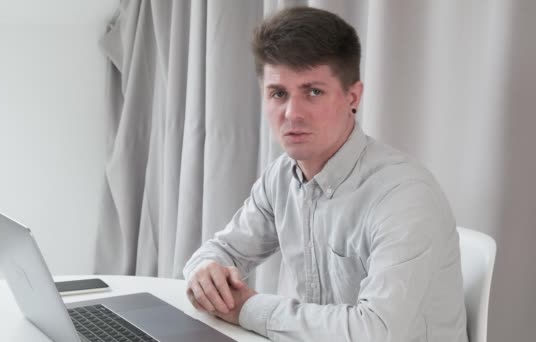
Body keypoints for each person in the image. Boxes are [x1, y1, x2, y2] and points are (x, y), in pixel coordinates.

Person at [183, 6, 468, 342]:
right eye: (278, 93)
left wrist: (248, 308)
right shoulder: (282, 178)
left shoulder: (405, 196)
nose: (292, 113)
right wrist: (206, 274)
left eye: (313, 92)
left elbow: (374, 332)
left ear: (353, 97)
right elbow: (223, 251)